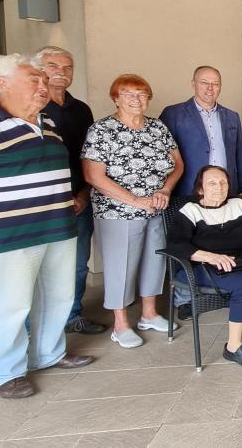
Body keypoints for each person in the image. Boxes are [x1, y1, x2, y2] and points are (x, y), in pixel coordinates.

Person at [0, 54, 94, 399]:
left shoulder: (46, 122)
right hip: (10, 234)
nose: (43, 86)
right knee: (10, 305)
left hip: (57, 227)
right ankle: (6, 372)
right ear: (3, 83)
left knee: (57, 296)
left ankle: (49, 353)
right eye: (34, 80)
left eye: (44, 80)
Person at [82, 74, 184, 349]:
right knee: (121, 266)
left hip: (156, 208)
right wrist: (136, 201)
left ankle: (149, 314)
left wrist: (165, 190)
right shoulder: (102, 130)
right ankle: (121, 324)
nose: (136, 99)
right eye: (128, 94)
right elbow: (93, 175)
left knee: (154, 260)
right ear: (116, 99)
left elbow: (178, 164)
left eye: (142, 94)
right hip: (117, 212)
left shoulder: (157, 128)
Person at [165, 166, 242, 367]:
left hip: (240, 264)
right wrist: (210, 257)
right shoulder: (190, 211)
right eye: (212, 183)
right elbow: (175, 245)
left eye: (223, 182)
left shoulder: (240, 205)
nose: (219, 187)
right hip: (203, 267)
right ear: (200, 188)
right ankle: (233, 347)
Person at [35, 46, 105, 335]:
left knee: (77, 265)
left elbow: (90, 157)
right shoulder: (31, 108)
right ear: (39, 70)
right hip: (44, 206)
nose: (61, 72)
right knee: (40, 267)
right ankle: (38, 327)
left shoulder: (81, 110)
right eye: (53, 66)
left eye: (67, 67)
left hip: (79, 201)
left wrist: (84, 194)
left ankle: (72, 315)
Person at [159, 66, 242, 197]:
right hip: (188, 190)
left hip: (225, 189)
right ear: (193, 84)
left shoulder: (232, 117)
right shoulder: (173, 114)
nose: (210, 88)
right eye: (204, 82)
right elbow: (162, 155)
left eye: (215, 84)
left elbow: (239, 156)